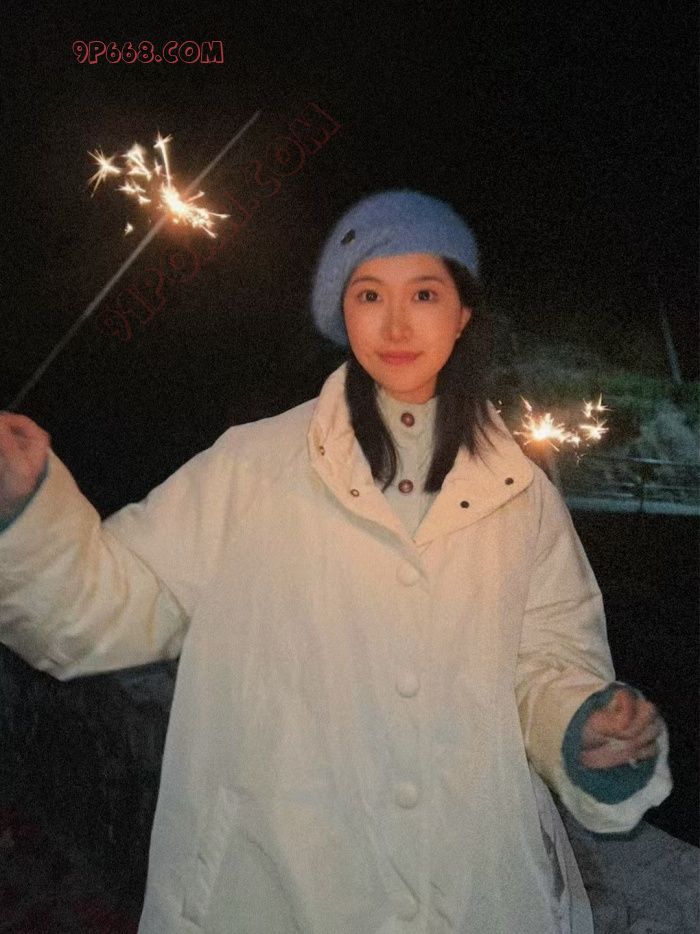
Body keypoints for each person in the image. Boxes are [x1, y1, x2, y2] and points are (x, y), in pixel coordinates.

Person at [0, 189, 671, 933]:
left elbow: (545, 662)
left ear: (463, 314)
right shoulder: (251, 468)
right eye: (369, 295)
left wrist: (582, 725)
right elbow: (98, 606)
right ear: (342, 315)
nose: (396, 324)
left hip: (481, 895)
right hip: (270, 897)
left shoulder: (521, 496)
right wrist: (22, 510)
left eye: (424, 294)